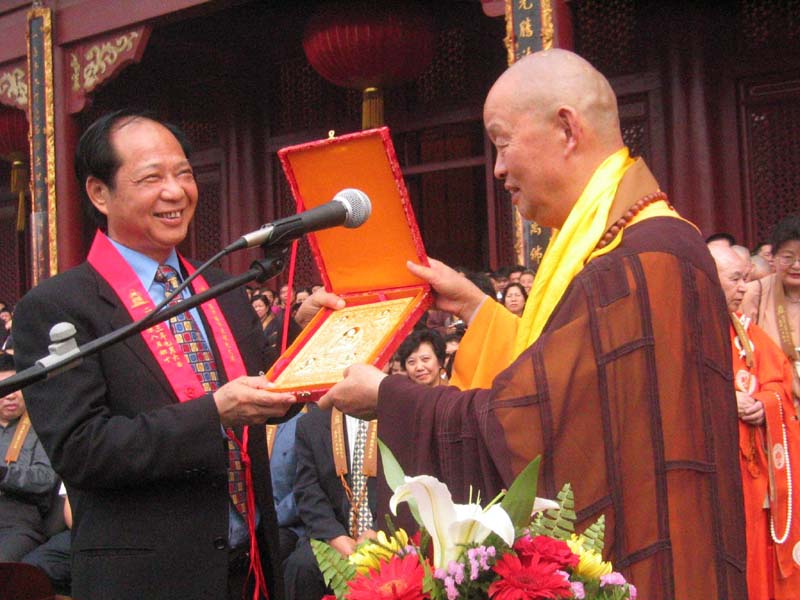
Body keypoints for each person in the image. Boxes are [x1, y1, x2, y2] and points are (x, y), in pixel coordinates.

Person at [318, 49, 745, 599]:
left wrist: (390, 397)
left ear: (567, 128)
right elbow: (569, 385)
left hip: (648, 561)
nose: (497, 169)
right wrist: (477, 308)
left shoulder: (645, 256)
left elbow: (537, 422)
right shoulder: (621, 244)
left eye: (502, 143)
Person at [12, 109, 299, 600]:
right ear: (99, 193)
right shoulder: (58, 307)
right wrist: (212, 414)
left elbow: (269, 397)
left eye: (184, 173)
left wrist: (323, 338)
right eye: (151, 178)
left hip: (251, 568)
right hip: (147, 579)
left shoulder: (223, 289)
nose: (175, 191)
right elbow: (82, 450)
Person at [710, 243, 800, 599]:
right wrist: (722, 398)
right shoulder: (682, 330)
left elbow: (779, 382)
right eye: (736, 279)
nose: (744, 288)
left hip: (754, 472)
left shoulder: (746, 333)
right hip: (712, 473)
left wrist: (765, 404)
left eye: (746, 279)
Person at [284, 405, 377, 600]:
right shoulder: (312, 424)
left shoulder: (398, 415)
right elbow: (307, 490)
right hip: (334, 532)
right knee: (301, 565)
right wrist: (334, 536)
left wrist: (377, 531)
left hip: (386, 531)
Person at [0, 360, 58, 561]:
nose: (10, 395)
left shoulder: (42, 427)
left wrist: (4, 474)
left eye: (16, 387)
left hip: (17, 521)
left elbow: (46, 479)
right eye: (4, 388)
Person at [742, 213, 800, 411]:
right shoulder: (754, 294)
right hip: (771, 405)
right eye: (788, 258)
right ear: (773, 257)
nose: (796, 266)